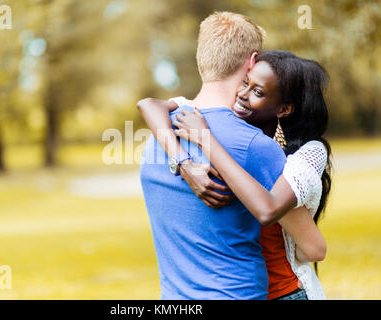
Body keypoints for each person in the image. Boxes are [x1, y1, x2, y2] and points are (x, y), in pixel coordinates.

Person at [138, 50, 332, 300]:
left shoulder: (290, 158)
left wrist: (206, 139)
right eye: (244, 82)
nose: (242, 93)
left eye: (258, 92)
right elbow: (148, 104)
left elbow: (314, 249)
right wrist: (183, 163)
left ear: (284, 109)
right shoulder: (206, 119)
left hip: (283, 293)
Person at [139, 11, 286, 299]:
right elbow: (306, 245)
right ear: (252, 62)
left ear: (201, 59)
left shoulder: (157, 138)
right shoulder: (257, 145)